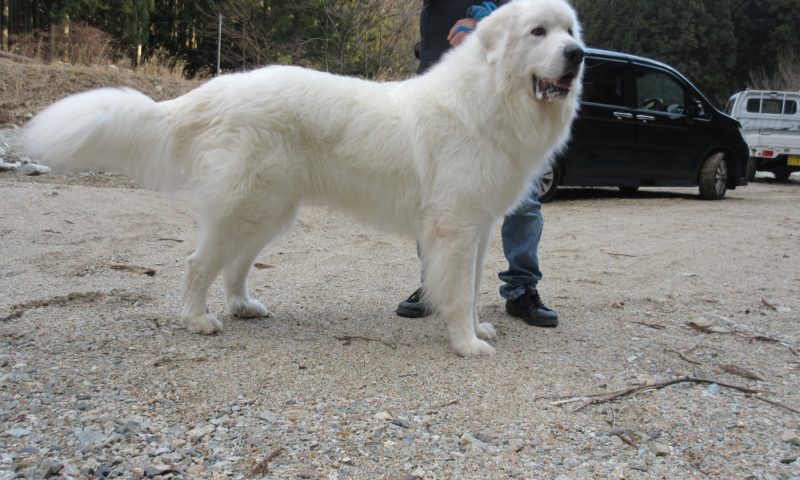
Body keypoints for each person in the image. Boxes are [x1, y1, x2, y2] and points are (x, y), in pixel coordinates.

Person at [396, 0, 558, 327]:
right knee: (440, 203)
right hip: (443, 87)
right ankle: (435, 288)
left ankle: (521, 288)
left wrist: (486, 22)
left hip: (508, 92)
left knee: (523, 202)